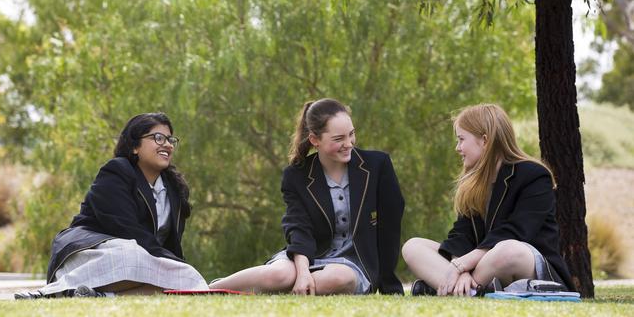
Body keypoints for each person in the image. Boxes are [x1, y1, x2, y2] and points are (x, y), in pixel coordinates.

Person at [210, 98, 405, 295]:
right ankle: (206, 289)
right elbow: (299, 228)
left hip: (353, 263)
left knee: (337, 279)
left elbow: (389, 229)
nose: (349, 144)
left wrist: (390, 285)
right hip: (305, 256)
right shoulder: (296, 175)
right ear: (315, 140)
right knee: (278, 276)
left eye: (351, 134)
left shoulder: (377, 166)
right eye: (339, 139)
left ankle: (286, 291)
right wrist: (302, 272)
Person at [15, 113, 208, 299]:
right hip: (95, 255)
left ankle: (101, 296)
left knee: (184, 277)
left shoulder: (174, 191)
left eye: (170, 139)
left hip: (144, 262)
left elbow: (170, 246)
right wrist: (171, 264)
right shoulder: (117, 171)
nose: (167, 144)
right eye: (158, 138)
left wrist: (180, 269)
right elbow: (126, 230)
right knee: (132, 253)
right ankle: (51, 292)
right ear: (134, 146)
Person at [402, 103, 573, 297]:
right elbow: (461, 235)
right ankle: (470, 290)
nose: (458, 148)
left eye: (461, 139)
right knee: (413, 246)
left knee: (507, 250)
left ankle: (448, 288)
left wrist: (462, 265)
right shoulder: (473, 184)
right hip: (481, 266)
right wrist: (462, 268)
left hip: (523, 261)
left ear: (485, 140)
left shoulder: (534, 175)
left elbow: (517, 231)